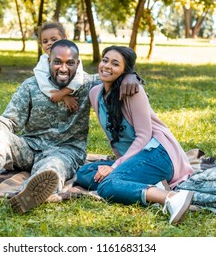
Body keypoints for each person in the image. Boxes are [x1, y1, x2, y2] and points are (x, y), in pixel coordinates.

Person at [0, 40, 141, 213]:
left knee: (52, 167)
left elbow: (116, 74)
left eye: (69, 63)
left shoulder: (89, 84)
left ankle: (28, 194)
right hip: (30, 146)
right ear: (48, 62)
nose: (63, 68)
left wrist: (132, 75)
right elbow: (10, 120)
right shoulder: (31, 86)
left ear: (77, 64)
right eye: (58, 62)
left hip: (66, 150)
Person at [75, 46, 195, 225]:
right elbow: (112, 137)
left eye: (115, 64)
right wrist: (120, 164)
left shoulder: (133, 91)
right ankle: (149, 186)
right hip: (137, 157)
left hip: (159, 152)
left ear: (125, 71)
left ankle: (172, 198)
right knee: (85, 172)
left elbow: (144, 136)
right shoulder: (95, 93)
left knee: (107, 185)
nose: (107, 66)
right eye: (105, 60)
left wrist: (115, 167)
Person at [34, 22, 84, 112]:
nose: (49, 43)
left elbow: (79, 77)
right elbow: (43, 83)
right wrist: (63, 97)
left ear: (64, 39)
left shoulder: (72, 56)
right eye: (45, 41)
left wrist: (63, 92)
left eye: (53, 39)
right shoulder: (43, 61)